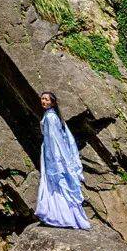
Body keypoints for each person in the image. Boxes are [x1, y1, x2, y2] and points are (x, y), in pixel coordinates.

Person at [35, 92, 90, 229]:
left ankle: (60, 216)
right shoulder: (51, 116)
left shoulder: (51, 117)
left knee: (56, 184)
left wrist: (55, 160)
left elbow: (55, 140)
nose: (44, 101)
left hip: (53, 155)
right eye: (42, 99)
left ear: (53, 102)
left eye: (47, 99)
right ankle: (58, 215)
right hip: (50, 152)